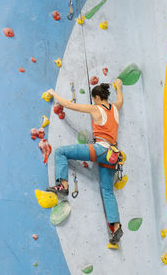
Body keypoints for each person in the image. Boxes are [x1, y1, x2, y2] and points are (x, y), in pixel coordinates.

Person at [46, 79, 123, 244]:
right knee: (107, 191)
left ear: (96, 97)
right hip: (112, 154)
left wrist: (54, 94)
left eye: (93, 98)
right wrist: (119, 87)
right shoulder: (115, 108)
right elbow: (121, 100)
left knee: (61, 152)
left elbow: (69, 105)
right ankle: (116, 227)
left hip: (100, 149)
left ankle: (64, 185)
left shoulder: (96, 108)